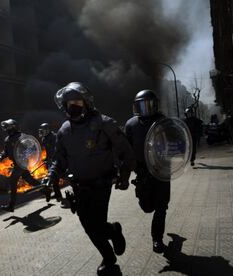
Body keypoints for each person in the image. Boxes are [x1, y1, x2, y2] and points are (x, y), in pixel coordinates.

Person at [43, 82, 136, 275]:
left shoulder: (104, 123)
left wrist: (125, 176)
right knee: (89, 228)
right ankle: (110, 251)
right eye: (68, 103)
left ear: (86, 102)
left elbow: (125, 151)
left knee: (97, 226)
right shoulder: (64, 130)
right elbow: (58, 159)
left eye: (77, 101)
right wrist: (50, 176)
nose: (73, 106)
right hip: (79, 187)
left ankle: (112, 237)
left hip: (101, 184)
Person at [125, 90, 170, 254]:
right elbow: (126, 149)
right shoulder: (131, 125)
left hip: (161, 169)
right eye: (141, 106)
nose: (145, 109)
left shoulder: (163, 121)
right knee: (147, 207)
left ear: (155, 105)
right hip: (142, 172)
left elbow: (173, 142)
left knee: (161, 206)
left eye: (149, 105)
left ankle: (157, 239)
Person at [0, 119, 41, 212]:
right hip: (17, 163)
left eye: (8, 127)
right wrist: (0, 157)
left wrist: (24, 155)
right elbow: (6, 151)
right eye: (6, 128)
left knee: (13, 182)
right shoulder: (7, 139)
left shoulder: (22, 137)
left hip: (22, 163)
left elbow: (31, 148)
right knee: (30, 180)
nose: (6, 129)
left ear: (13, 127)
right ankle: (46, 189)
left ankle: (11, 205)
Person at [38, 123, 62, 200]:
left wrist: (52, 159)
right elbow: (48, 151)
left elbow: (55, 150)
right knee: (54, 178)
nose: (41, 132)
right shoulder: (44, 139)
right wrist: (46, 159)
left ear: (47, 130)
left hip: (56, 159)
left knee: (55, 177)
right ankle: (57, 194)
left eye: (43, 131)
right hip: (50, 160)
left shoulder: (54, 137)